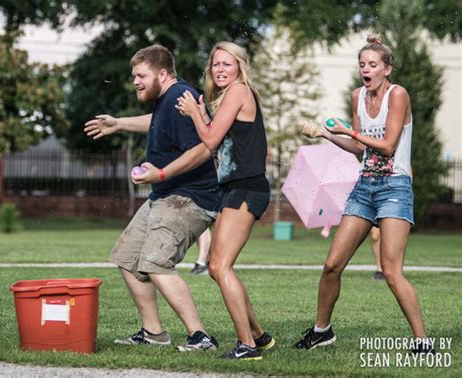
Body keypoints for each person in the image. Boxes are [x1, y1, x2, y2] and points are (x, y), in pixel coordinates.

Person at [296, 36, 433, 353]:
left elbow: (387, 145)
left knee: (391, 271)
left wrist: (348, 130)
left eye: (372, 64)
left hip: (395, 188)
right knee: (332, 264)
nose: (365, 69)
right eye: (362, 64)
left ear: (387, 69)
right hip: (364, 187)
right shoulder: (358, 96)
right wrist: (327, 134)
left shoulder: (397, 95)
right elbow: (360, 149)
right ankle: (322, 331)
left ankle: (422, 342)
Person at [84, 44, 222, 352]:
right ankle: (153, 332)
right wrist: (118, 123)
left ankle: (201, 337)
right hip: (164, 196)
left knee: (155, 262)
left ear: (162, 73)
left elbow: (203, 150)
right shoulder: (166, 100)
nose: (135, 81)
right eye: (134, 75)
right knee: (127, 258)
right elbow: (155, 121)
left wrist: (160, 174)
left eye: (140, 75)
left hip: (189, 198)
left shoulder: (181, 98)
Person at [176, 41, 275, 360]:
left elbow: (210, 139)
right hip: (236, 187)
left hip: (246, 188)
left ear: (239, 67)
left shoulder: (238, 91)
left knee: (219, 266)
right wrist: (202, 113)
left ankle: (247, 346)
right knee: (220, 268)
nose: (220, 69)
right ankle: (258, 337)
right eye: (215, 64)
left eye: (227, 64)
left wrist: (194, 113)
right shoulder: (230, 98)